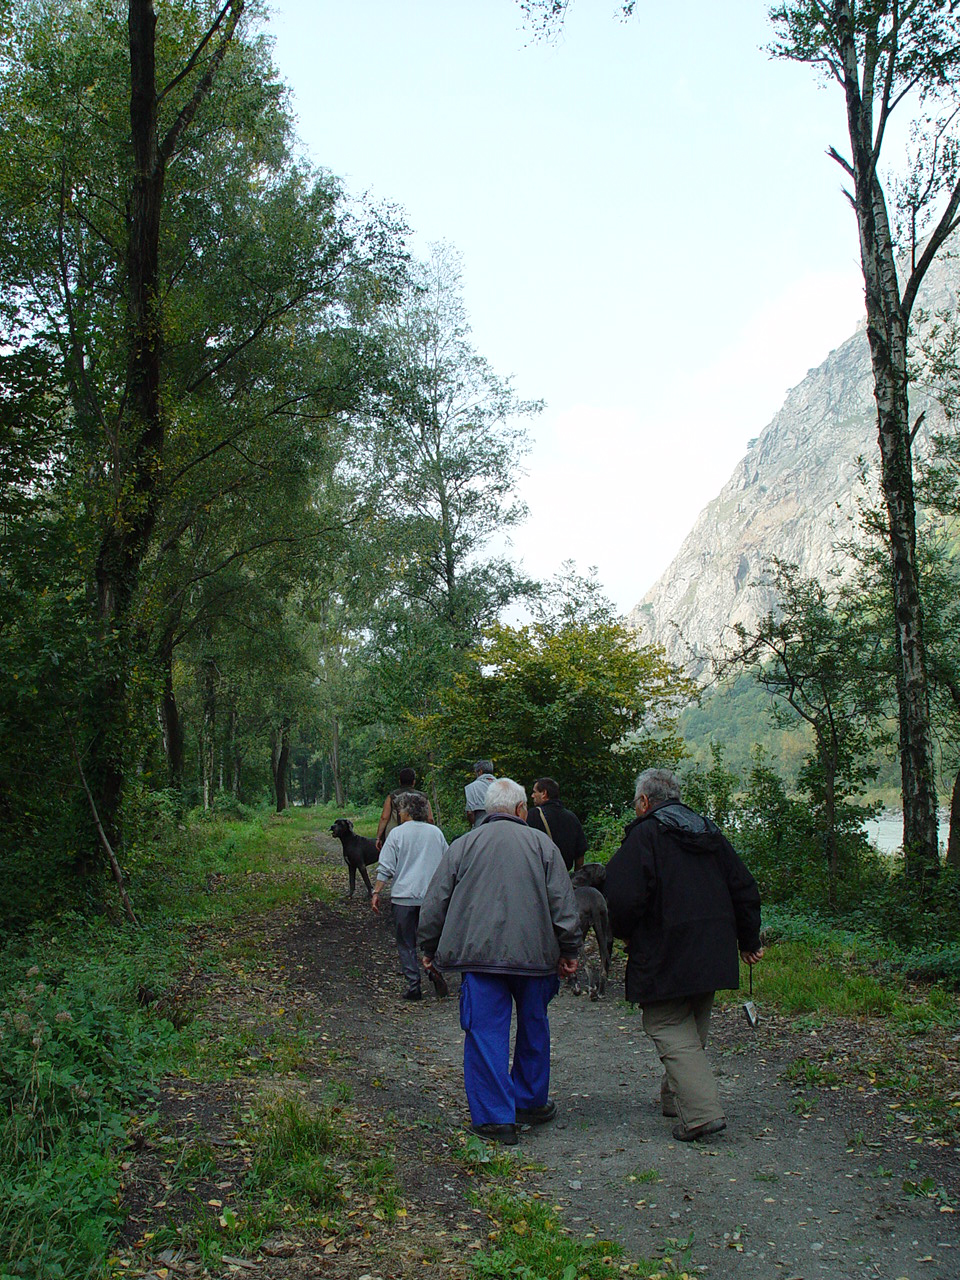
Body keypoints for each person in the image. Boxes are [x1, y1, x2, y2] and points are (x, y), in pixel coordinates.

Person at [418, 777, 582, 1145]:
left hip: (480, 957)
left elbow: (436, 900)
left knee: (484, 1032)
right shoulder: (543, 845)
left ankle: (495, 1119)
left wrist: (428, 946)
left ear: (488, 810)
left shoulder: (463, 845)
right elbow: (563, 902)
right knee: (534, 1025)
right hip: (536, 956)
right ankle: (530, 1102)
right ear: (522, 809)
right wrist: (569, 950)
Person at [603, 767, 762, 1142]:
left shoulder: (645, 835)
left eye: (636, 802)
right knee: (691, 1022)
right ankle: (677, 1100)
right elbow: (743, 885)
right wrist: (748, 939)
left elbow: (620, 898)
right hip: (713, 947)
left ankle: (702, 1114)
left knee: (666, 1023)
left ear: (645, 801)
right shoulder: (709, 831)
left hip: (666, 946)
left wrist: (625, 934)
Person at [371, 792, 449, 1001]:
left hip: (403, 897)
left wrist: (376, 892)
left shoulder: (397, 834)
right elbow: (447, 863)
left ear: (406, 812)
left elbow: (386, 866)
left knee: (406, 942)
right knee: (431, 940)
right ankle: (433, 968)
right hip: (431, 898)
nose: (399, 814)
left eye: (400, 810)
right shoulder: (436, 833)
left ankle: (413, 984)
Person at [525, 776, 587, 873]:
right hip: (564, 876)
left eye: (535, 792)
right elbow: (580, 853)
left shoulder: (533, 815)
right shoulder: (572, 817)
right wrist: (576, 877)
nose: (532, 796)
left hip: (540, 875)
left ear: (544, 793)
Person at [376, 767, 434, 850]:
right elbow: (430, 819)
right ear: (414, 782)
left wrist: (378, 837)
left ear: (400, 781)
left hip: (396, 837)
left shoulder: (392, 796)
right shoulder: (423, 797)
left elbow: (384, 818)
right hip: (419, 836)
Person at [463, 759, 496, 828]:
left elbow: (470, 813)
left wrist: (473, 825)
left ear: (480, 772)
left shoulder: (472, 787)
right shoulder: (503, 785)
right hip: (499, 826)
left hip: (480, 826)